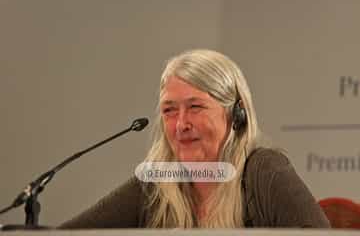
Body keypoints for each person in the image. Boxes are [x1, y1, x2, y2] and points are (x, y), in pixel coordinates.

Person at [58, 49, 330, 228]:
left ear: (237, 114)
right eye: (169, 110)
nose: (181, 124)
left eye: (196, 107)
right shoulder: (154, 183)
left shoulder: (264, 170)